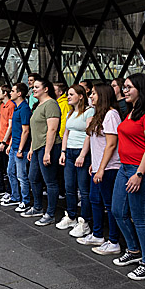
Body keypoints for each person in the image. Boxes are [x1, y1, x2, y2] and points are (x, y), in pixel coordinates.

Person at [112, 73, 145, 280]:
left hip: (142, 170)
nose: (124, 90)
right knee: (117, 210)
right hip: (125, 168)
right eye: (124, 87)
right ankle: (134, 250)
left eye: (128, 87)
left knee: (140, 218)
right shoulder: (131, 111)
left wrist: (139, 174)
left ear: (140, 90)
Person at [86, 83, 122, 253]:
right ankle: (98, 234)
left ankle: (114, 241)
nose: (91, 96)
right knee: (95, 199)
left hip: (109, 168)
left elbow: (111, 144)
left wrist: (101, 168)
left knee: (110, 205)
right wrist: (95, 164)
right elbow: (98, 144)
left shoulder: (111, 115)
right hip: (99, 166)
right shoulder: (99, 115)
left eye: (94, 93)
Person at [28, 80, 63, 226]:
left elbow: (52, 129)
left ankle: (50, 213)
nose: (33, 89)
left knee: (50, 181)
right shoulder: (39, 106)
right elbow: (35, 130)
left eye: (37, 87)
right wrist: (31, 148)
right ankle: (37, 207)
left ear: (46, 89)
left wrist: (47, 152)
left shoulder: (51, 105)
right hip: (37, 147)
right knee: (33, 177)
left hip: (47, 147)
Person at [59, 84, 93, 237]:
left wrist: (83, 154)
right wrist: (63, 152)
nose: (68, 96)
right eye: (68, 94)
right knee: (69, 186)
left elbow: (89, 134)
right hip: (70, 152)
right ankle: (71, 216)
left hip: (81, 152)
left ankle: (84, 222)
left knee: (84, 190)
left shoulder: (89, 111)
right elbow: (66, 133)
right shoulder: (70, 113)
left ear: (81, 96)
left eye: (71, 94)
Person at [5, 83, 32, 211]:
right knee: (11, 172)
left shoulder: (25, 109)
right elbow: (15, 130)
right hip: (14, 146)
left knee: (22, 176)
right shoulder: (16, 108)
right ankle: (15, 196)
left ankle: (25, 200)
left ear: (19, 93)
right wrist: (10, 145)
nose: (11, 93)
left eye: (13, 91)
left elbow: (25, 131)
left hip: (21, 148)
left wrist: (20, 149)